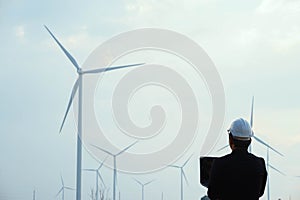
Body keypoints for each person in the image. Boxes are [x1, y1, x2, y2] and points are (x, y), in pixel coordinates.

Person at [207, 118, 267, 200]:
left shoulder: (219, 164)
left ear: (230, 139)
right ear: (250, 141)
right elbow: (260, 192)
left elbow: (212, 194)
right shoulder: (259, 164)